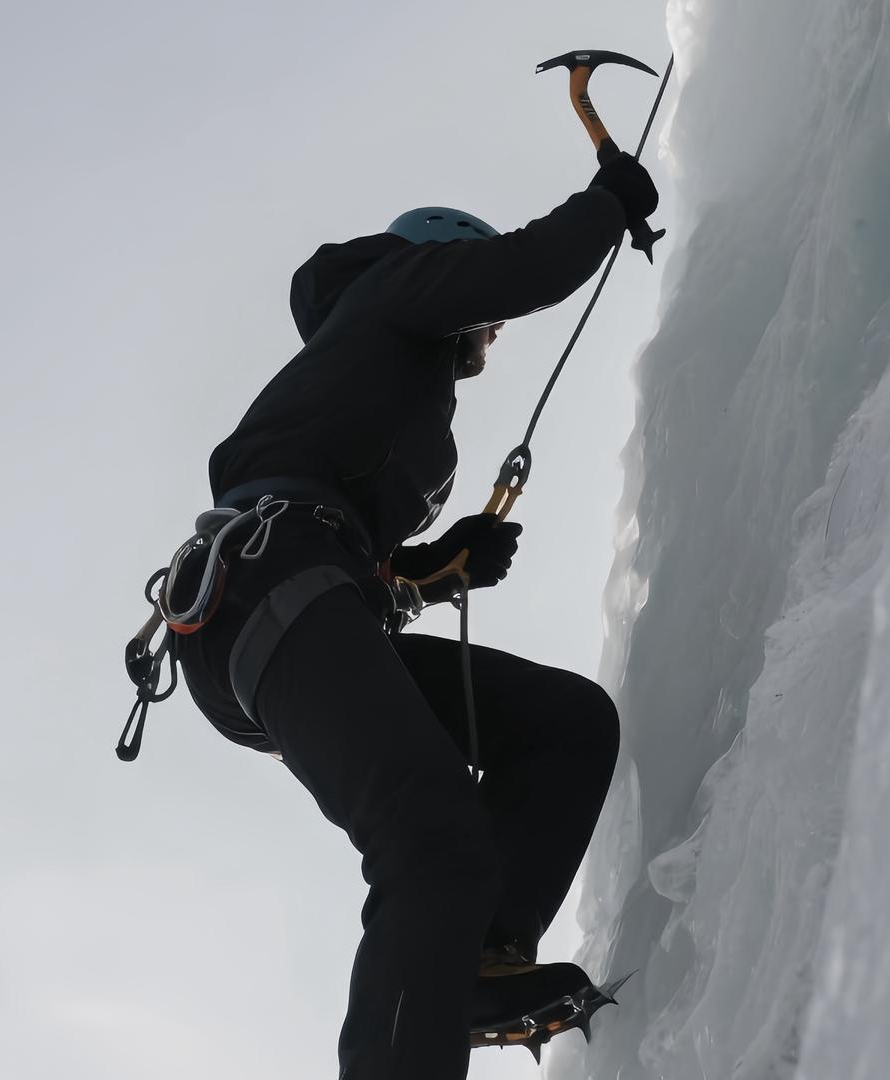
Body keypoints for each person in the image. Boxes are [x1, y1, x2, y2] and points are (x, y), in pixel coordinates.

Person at [177, 152, 659, 1079]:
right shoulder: (398, 283)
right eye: (486, 319)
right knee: (430, 841)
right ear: (444, 261)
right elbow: (527, 266)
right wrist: (608, 205)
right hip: (270, 585)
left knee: (565, 726)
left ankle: (475, 961)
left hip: (291, 600)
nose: (491, 333)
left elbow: (358, 554)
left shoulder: (374, 374)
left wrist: (439, 570)